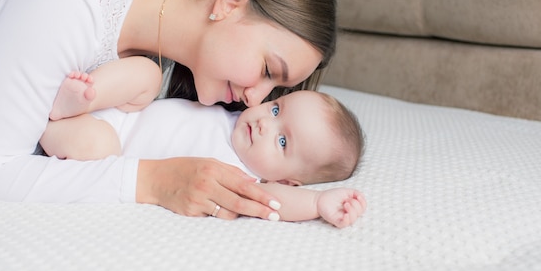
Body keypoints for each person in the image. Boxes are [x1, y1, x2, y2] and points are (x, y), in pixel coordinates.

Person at [0, 0, 337, 221]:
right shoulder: (71, 0)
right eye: (268, 71)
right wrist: (155, 180)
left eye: (275, 91)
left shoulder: (145, 57)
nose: (255, 99)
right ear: (230, 3)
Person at [40, 76, 366, 227]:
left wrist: (318, 203)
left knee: (94, 146)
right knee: (145, 75)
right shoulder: (237, 113)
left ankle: (52, 121)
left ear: (287, 180)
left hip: (113, 145)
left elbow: (274, 203)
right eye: (277, 110)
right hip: (125, 112)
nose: (266, 124)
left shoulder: (243, 177)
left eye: (283, 142)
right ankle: (81, 100)